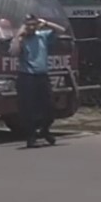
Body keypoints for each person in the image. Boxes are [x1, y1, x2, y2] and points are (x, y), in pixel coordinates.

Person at [10, 12, 66, 149]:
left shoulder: (42, 36)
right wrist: (19, 36)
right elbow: (14, 52)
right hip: (27, 77)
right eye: (28, 25)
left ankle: (45, 130)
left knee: (49, 107)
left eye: (33, 25)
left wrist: (45, 23)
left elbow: (61, 30)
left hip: (42, 77)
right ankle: (31, 137)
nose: (31, 28)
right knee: (28, 109)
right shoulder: (21, 39)